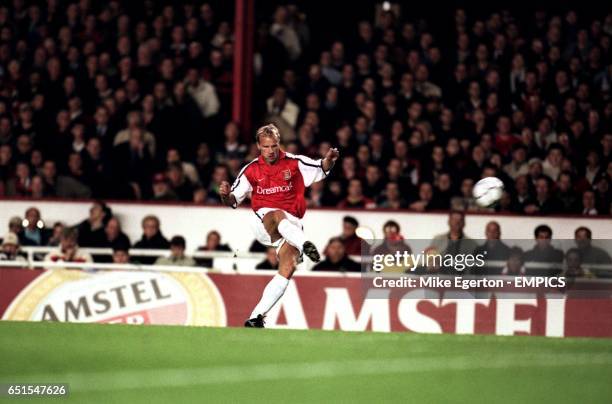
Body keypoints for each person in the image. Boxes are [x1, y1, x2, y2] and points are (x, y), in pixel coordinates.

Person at [219, 123, 339, 327]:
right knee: (276, 213)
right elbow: (233, 201)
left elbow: (321, 168)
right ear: (258, 146)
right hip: (264, 222)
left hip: (291, 226)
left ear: (279, 143)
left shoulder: (294, 162)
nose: (271, 151)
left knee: (288, 266)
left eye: (274, 146)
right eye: (266, 146)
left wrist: (329, 160)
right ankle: (305, 244)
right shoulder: (250, 170)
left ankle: (256, 317)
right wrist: (225, 195)